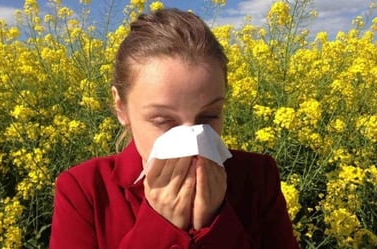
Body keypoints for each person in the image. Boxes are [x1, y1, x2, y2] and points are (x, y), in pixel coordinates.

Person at [49, 8, 299, 249]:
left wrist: (215, 223)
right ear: (121, 108)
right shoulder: (85, 190)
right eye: (162, 121)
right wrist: (160, 226)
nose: (192, 141)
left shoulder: (257, 177)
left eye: (209, 116)